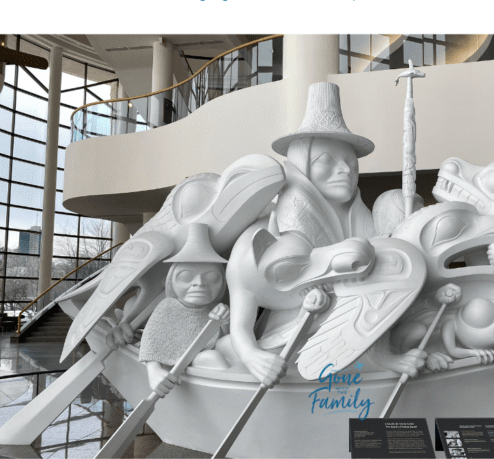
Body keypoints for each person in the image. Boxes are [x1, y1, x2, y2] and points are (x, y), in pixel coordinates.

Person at [220, 83, 426, 385]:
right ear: (302, 165)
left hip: (357, 335)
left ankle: (380, 356)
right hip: (293, 340)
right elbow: (242, 311)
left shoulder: (360, 222)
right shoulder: (262, 241)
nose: (345, 170)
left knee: (394, 205)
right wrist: (251, 355)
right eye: (327, 161)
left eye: (351, 164)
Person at [137, 222, 230, 394]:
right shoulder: (167, 307)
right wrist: (154, 371)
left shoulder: (214, 308)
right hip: (184, 365)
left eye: (212, 278)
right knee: (211, 357)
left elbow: (219, 338)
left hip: (206, 358)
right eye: (186, 276)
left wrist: (224, 322)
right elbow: (151, 341)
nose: (200, 284)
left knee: (229, 344)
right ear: (171, 279)